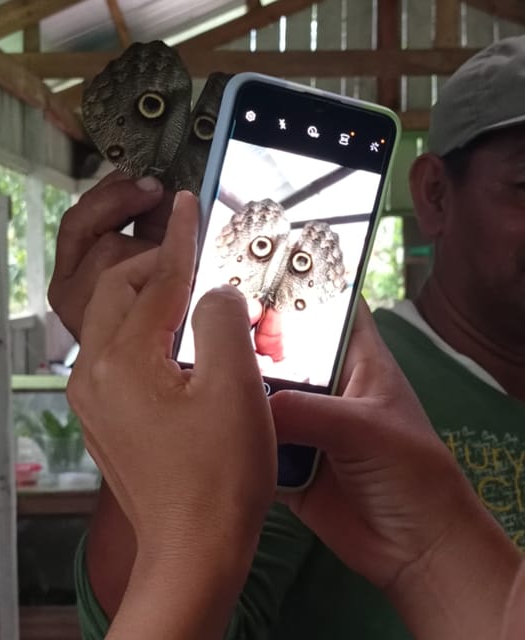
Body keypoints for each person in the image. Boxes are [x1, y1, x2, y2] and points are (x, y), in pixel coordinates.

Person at [49, 34, 525, 639]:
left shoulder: (358, 404)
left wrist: (434, 546)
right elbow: (159, 608)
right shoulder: (345, 392)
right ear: (434, 193)